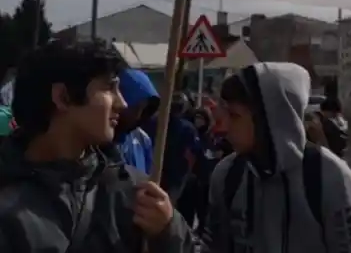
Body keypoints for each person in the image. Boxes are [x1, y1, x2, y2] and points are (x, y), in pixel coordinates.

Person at [0, 40, 194, 251]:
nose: (122, 103)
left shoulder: (134, 194)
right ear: (63, 97)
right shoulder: (8, 203)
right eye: (110, 87)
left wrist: (168, 231)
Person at [201, 62, 351, 253]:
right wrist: (171, 227)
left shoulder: (330, 178)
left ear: (269, 119)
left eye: (235, 116)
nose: (225, 127)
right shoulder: (227, 176)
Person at [144, 91, 202, 202]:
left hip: (164, 173)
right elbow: (191, 156)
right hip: (170, 174)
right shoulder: (185, 127)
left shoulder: (155, 122)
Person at [114, 67, 160, 175]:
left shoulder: (142, 139)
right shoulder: (97, 140)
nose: (138, 115)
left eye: (144, 109)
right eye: (135, 107)